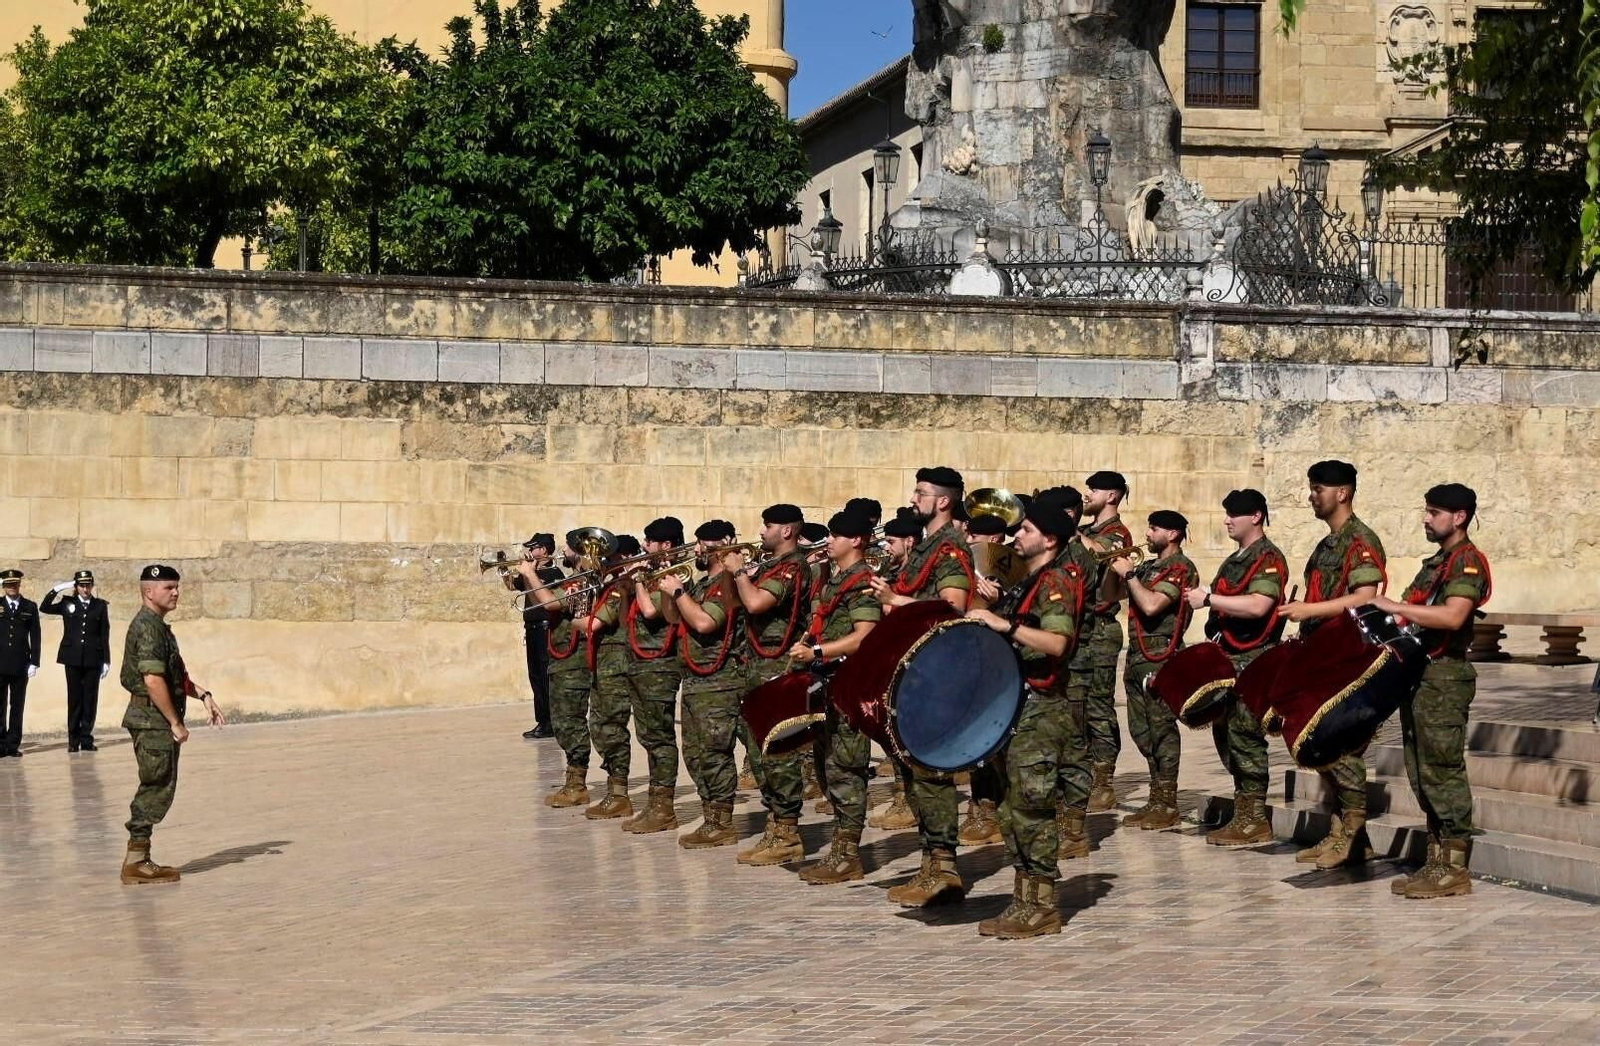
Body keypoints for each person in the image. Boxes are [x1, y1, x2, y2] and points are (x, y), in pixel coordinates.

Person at [969, 494, 1085, 938]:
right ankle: (1023, 899)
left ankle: (1043, 906)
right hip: (1016, 708)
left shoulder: (1056, 582)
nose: (1016, 535)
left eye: (1026, 530)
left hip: (1041, 711)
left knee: (1033, 809)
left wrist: (1006, 626)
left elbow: (1058, 644)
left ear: (1050, 539)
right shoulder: (1028, 581)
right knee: (1011, 808)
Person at [1370, 484, 1492, 899]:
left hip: (1445, 678)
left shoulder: (1467, 563)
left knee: (1442, 768)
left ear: (1459, 517)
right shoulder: (1437, 563)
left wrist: (1396, 608)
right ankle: (1436, 859)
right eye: (1426, 510)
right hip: (1420, 675)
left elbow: (1454, 616)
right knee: (1421, 771)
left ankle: (1454, 867)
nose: (1426, 518)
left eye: (1434, 512)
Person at [870, 466, 975, 908]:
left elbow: (952, 607)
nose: (914, 499)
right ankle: (932, 862)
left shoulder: (949, 548)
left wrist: (896, 601)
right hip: (914, 672)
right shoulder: (923, 548)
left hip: (937, 674)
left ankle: (944, 866)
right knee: (917, 773)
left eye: (921, 492)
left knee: (931, 773)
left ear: (943, 501)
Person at [1280, 460, 1387, 868]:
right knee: (1322, 744)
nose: (1312, 495)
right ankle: (1344, 834)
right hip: (1321, 655)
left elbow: (1364, 596)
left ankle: (1354, 833)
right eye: (1312, 487)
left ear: (1342, 493)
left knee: (1340, 746)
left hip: (1348, 658)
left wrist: (1309, 610)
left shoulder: (1360, 540)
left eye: (1318, 488)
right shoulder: (1327, 545)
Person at [1182, 490, 1289, 847]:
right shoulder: (1233, 561)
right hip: (1229, 660)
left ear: (1256, 517)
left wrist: (1210, 599)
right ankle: (1244, 810)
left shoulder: (1268, 558)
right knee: (1226, 737)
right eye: (1227, 513)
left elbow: (1259, 605)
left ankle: (1254, 817)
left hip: (1254, 661)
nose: (1227, 520)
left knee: (1246, 737)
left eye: (1235, 514)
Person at [793, 508, 882, 884]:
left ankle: (848, 855)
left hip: (848, 687)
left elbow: (865, 635)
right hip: (826, 685)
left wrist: (817, 653)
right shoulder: (835, 579)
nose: (829, 541)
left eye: (836, 536)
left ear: (856, 540)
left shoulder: (862, 581)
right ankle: (840, 849)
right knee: (827, 769)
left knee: (846, 770)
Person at [120, 565, 224, 884]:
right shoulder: (148, 627)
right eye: (169, 587)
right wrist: (175, 722)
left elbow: (175, 676)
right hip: (152, 721)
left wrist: (203, 694)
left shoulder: (159, 626)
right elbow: (152, 680)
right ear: (149, 591)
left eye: (177, 587)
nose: (176, 592)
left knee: (159, 783)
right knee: (154, 785)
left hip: (155, 719)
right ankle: (136, 862)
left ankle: (140, 858)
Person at [725, 504, 814, 866]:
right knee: (761, 752)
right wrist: (732, 575)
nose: (761, 531)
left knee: (780, 752)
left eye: (769, 525)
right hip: (758, 667)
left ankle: (788, 833)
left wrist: (740, 574)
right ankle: (776, 825)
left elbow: (758, 602)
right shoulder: (770, 566)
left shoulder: (794, 567)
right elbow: (738, 605)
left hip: (779, 667)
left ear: (788, 531)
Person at [1108, 511, 1200, 830]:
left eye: (1155, 528)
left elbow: (1151, 605)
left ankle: (1169, 801)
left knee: (1161, 729)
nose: (1148, 533)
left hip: (1161, 656)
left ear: (1173, 534)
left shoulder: (1181, 568)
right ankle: (1156, 797)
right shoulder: (1147, 566)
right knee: (1141, 730)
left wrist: (1130, 576)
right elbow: (1113, 597)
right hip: (1137, 657)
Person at [659, 521, 747, 849]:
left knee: (714, 753)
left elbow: (704, 621)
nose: (695, 550)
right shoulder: (698, 584)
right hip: (695, 680)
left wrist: (679, 593)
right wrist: (670, 586)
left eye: (701, 544)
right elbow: (671, 616)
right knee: (694, 754)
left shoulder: (725, 585)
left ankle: (721, 822)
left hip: (719, 681)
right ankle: (710, 815)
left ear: (716, 547)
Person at [614, 517, 688, 834]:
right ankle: (656, 802)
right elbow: (624, 619)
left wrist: (639, 581)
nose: (644, 546)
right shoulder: (650, 574)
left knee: (660, 737)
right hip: (639, 662)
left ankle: (664, 807)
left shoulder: (674, 574)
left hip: (661, 665)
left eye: (649, 541)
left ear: (666, 545)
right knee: (647, 736)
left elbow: (651, 612)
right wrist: (624, 588)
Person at [522, 533, 597, 808]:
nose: (563, 550)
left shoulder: (583, 581)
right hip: (563, 656)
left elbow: (550, 603)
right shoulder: (573, 579)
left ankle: (584, 784)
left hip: (575, 659)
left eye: (567, 546)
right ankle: (575, 781)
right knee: (566, 722)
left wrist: (530, 574)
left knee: (573, 722)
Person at [573, 534, 642, 820]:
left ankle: (619, 794)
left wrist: (573, 617)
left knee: (610, 728)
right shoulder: (608, 585)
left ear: (624, 558)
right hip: (604, 666)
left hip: (617, 666)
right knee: (600, 726)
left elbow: (595, 624)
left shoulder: (622, 587)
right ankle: (615, 791)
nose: (604, 563)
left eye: (610, 558)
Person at [1078, 471, 1134, 811]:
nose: (1087, 494)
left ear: (1111, 496)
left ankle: (1104, 781)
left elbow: (1105, 554)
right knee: (1079, 705)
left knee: (1098, 706)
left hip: (1101, 628)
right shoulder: (1084, 531)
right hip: (1079, 627)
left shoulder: (1117, 533)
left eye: (1093, 489)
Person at [865, 509, 923, 832]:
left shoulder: (918, 571)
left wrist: (892, 599)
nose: (885, 547)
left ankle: (913, 800)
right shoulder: (896, 569)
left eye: (891, 541)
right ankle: (906, 795)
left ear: (909, 542)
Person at [41, 570, 112, 753]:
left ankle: (86, 739)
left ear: (92, 586)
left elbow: (104, 634)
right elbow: (44, 607)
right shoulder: (67, 603)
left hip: (92, 658)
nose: (85, 589)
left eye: (88, 585)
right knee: (74, 699)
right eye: (81, 585)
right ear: (76, 587)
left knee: (90, 699)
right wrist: (57, 588)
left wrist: (106, 660)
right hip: (72, 657)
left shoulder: (100, 606)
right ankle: (73, 740)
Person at [505, 534, 560, 740]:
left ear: (544, 551)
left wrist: (531, 573)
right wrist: (505, 570)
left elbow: (541, 596)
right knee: (535, 675)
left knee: (545, 676)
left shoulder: (554, 573)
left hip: (546, 627)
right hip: (532, 627)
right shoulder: (531, 571)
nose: (530, 551)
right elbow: (513, 586)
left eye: (534, 547)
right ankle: (542, 720)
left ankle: (550, 721)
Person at [0, 568, 40, 758]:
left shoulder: (29, 607)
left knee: (17, 706)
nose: (12, 587)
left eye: (14, 584)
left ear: (19, 585)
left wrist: (35, 662)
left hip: (19, 664)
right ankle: (0, 745)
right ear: (3, 586)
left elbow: (36, 636)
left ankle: (12, 744)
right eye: (8, 584)